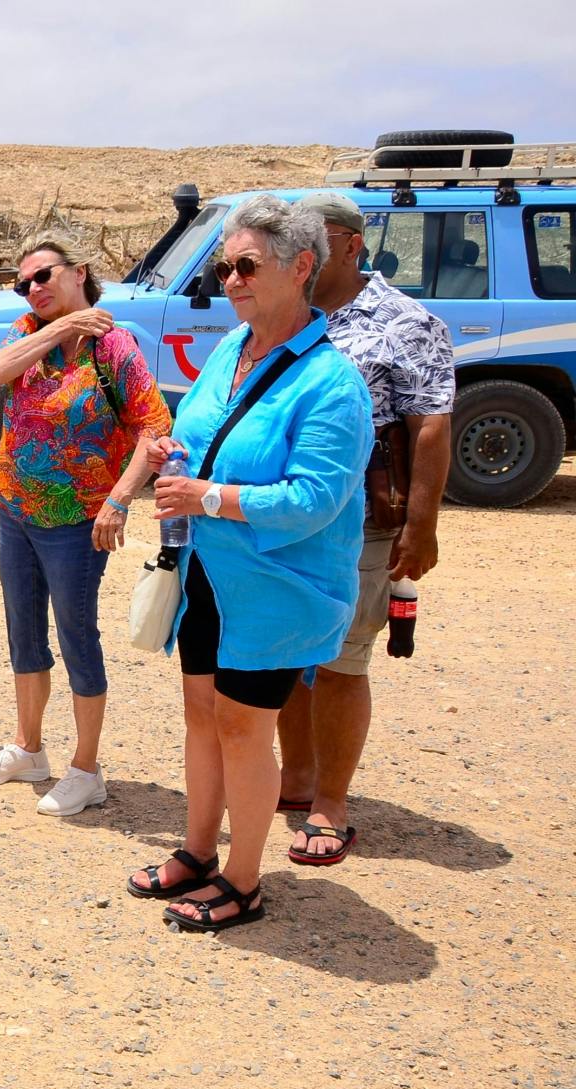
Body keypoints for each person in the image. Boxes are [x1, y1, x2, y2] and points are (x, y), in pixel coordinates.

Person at [125, 195, 371, 933]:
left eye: (246, 266)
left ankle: (242, 880)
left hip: (275, 588)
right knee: (201, 713)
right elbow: (198, 426)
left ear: (302, 268)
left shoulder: (333, 383)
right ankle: (199, 851)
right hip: (211, 576)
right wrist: (179, 460)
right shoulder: (232, 351)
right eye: (223, 266)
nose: (229, 280)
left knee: (241, 725)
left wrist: (211, 494)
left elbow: (315, 498)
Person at [276, 191, 454, 866]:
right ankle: (294, 781)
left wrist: (422, 523)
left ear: (350, 244)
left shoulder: (406, 321)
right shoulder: (288, 316)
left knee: (341, 659)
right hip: (287, 509)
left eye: (312, 241)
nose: (300, 255)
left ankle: (331, 804)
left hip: (362, 517)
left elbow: (429, 424)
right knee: (291, 649)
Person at [0, 236, 171, 810]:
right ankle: (28, 749)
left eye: (43, 276)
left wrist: (121, 498)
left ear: (79, 271)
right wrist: (57, 328)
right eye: (23, 283)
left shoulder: (115, 346)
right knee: (23, 629)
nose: (33, 288)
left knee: (76, 632)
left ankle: (87, 768)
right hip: (16, 508)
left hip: (77, 520)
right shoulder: (28, 331)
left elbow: (154, 427)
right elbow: (1, 371)